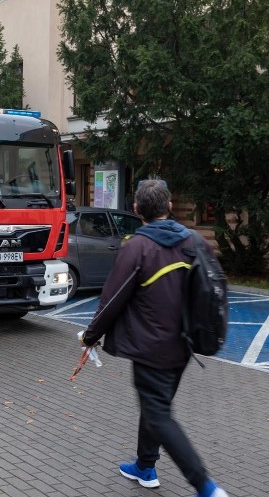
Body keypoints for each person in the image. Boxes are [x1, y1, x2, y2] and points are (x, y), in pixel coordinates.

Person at [80, 179, 228, 497]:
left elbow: (113, 297)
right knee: (156, 406)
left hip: (150, 347)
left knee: (159, 413)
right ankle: (145, 466)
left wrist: (90, 336)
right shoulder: (195, 241)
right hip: (185, 345)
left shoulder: (137, 247)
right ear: (169, 206)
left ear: (136, 210)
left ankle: (205, 485)